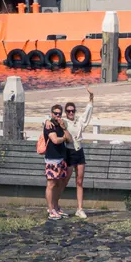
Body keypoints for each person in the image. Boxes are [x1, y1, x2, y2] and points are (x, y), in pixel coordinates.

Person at [63, 87, 94, 219]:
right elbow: (51, 123)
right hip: (68, 152)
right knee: (64, 180)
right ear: (66, 112)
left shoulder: (79, 121)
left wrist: (91, 99)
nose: (71, 112)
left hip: (78, 151)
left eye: (72, 110)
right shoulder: (63, 122)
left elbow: (87, 114)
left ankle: (80, 208)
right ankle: (54, 206)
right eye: (68, 111)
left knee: (79, 181)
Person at [40, 104, 70, 220]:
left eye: (59, 113)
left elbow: (70, 138)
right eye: (55, 113)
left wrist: (64, 128)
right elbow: (55, 140)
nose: (57, 115)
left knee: (59, 183)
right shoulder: (49, 125)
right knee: (51, 184)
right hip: (52, 159)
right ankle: (51, 210)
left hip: (61, 158)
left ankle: (56, 207)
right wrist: (63, 138)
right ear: (51, 113)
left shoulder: (60, 124)